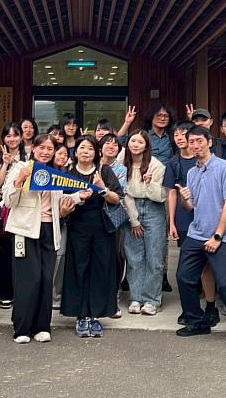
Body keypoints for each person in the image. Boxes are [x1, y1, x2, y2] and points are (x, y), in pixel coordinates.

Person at [4, 135, 85, 343]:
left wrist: (78, 197)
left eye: (50, 148)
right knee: (28, 280)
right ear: (34, 148)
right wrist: (20, 180)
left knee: (46, 279)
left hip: (49, 229)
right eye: (42, 147)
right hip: (25, 229)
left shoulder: (54, 174)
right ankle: (22, 328)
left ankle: (42, 325)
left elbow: (59, 205)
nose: (46, 152)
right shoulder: (21, 167)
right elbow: (8, 201)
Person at [176, 126, 226, 350]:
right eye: (191, 142)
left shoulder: (224, 168)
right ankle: (197, 321)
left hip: (223, 236)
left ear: (209, 142)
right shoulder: (192, 172)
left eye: (199, 141)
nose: (195, 145)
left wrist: (217, 236)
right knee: (184, 277)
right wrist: (184, 199)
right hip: (196, 233)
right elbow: (191, 207)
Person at [61, 135, 124, 338]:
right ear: (76, 152)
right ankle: (81, 316)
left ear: (96, 152)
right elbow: (61, 205)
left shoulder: (104, 171)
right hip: (77, 228)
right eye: (82, 148)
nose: (86, 151)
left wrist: (102, 188)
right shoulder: (68, 173)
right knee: (79, 269)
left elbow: (116, 199)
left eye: (90, 148)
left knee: (100, 269)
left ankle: (95, 316)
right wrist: (72, 202)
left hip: (102, 229)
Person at [117, 103, 175, 292]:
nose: (163, 118)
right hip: (133, 199)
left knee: (157, 247)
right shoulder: (137, 141)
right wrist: (127, 123)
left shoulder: (171, 139)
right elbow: (119, 142)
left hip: (159, 189)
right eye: (159, 115)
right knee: (133, 251)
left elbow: (187, 141)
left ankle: (159, 282)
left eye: (166, 115)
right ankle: (133, 287)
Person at [165, 121, 217, 326]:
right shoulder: (174, 163)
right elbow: (171, 193)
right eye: (176, 134)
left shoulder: (207, 162)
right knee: (188, 268)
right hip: (184, 219)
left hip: (207, 220)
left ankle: (211, 306)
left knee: (206, 267)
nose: (180, 138)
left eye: (184, 134)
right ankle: (191, 308)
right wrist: (172, 222)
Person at [122, 130, 167, 316]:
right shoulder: (122, 165)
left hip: (154, 210)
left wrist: (149, 183)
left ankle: (151, 300)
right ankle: (135, 297)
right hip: (130, 209)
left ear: (146, 145)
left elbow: (161, 196)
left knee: (155, 258)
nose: (135, 144)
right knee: (134, 258)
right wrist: (134, 220)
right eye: (133, 141)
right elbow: (124, 193)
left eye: (140, 142)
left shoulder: (156, 166)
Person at [0, 122, 27, 309]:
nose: (12, 138)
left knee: (23, 252)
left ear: (21, 138)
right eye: (8, 135)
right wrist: (6, 163)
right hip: (5, 209)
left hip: (23, 208)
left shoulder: (28, 158)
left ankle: (20, 290)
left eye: (16, 135)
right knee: (7, 251)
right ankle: (5, 292)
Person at [99, 132, 127, 318]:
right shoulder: (92, 166)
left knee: (115, 257)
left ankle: (113, 294)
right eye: (107, 143)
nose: (111, 147)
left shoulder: (122, 169)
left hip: (112, 217)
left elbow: (120, 193)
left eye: (115, 144)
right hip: (91, 217)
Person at [50, 142, 71, 309]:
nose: (62, 157)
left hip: (63, 222)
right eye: (59, 153)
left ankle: (56, 295)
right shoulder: (43, 172)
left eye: (65, 154)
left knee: (60, 257)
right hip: (44, 221)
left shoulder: (68, 174)